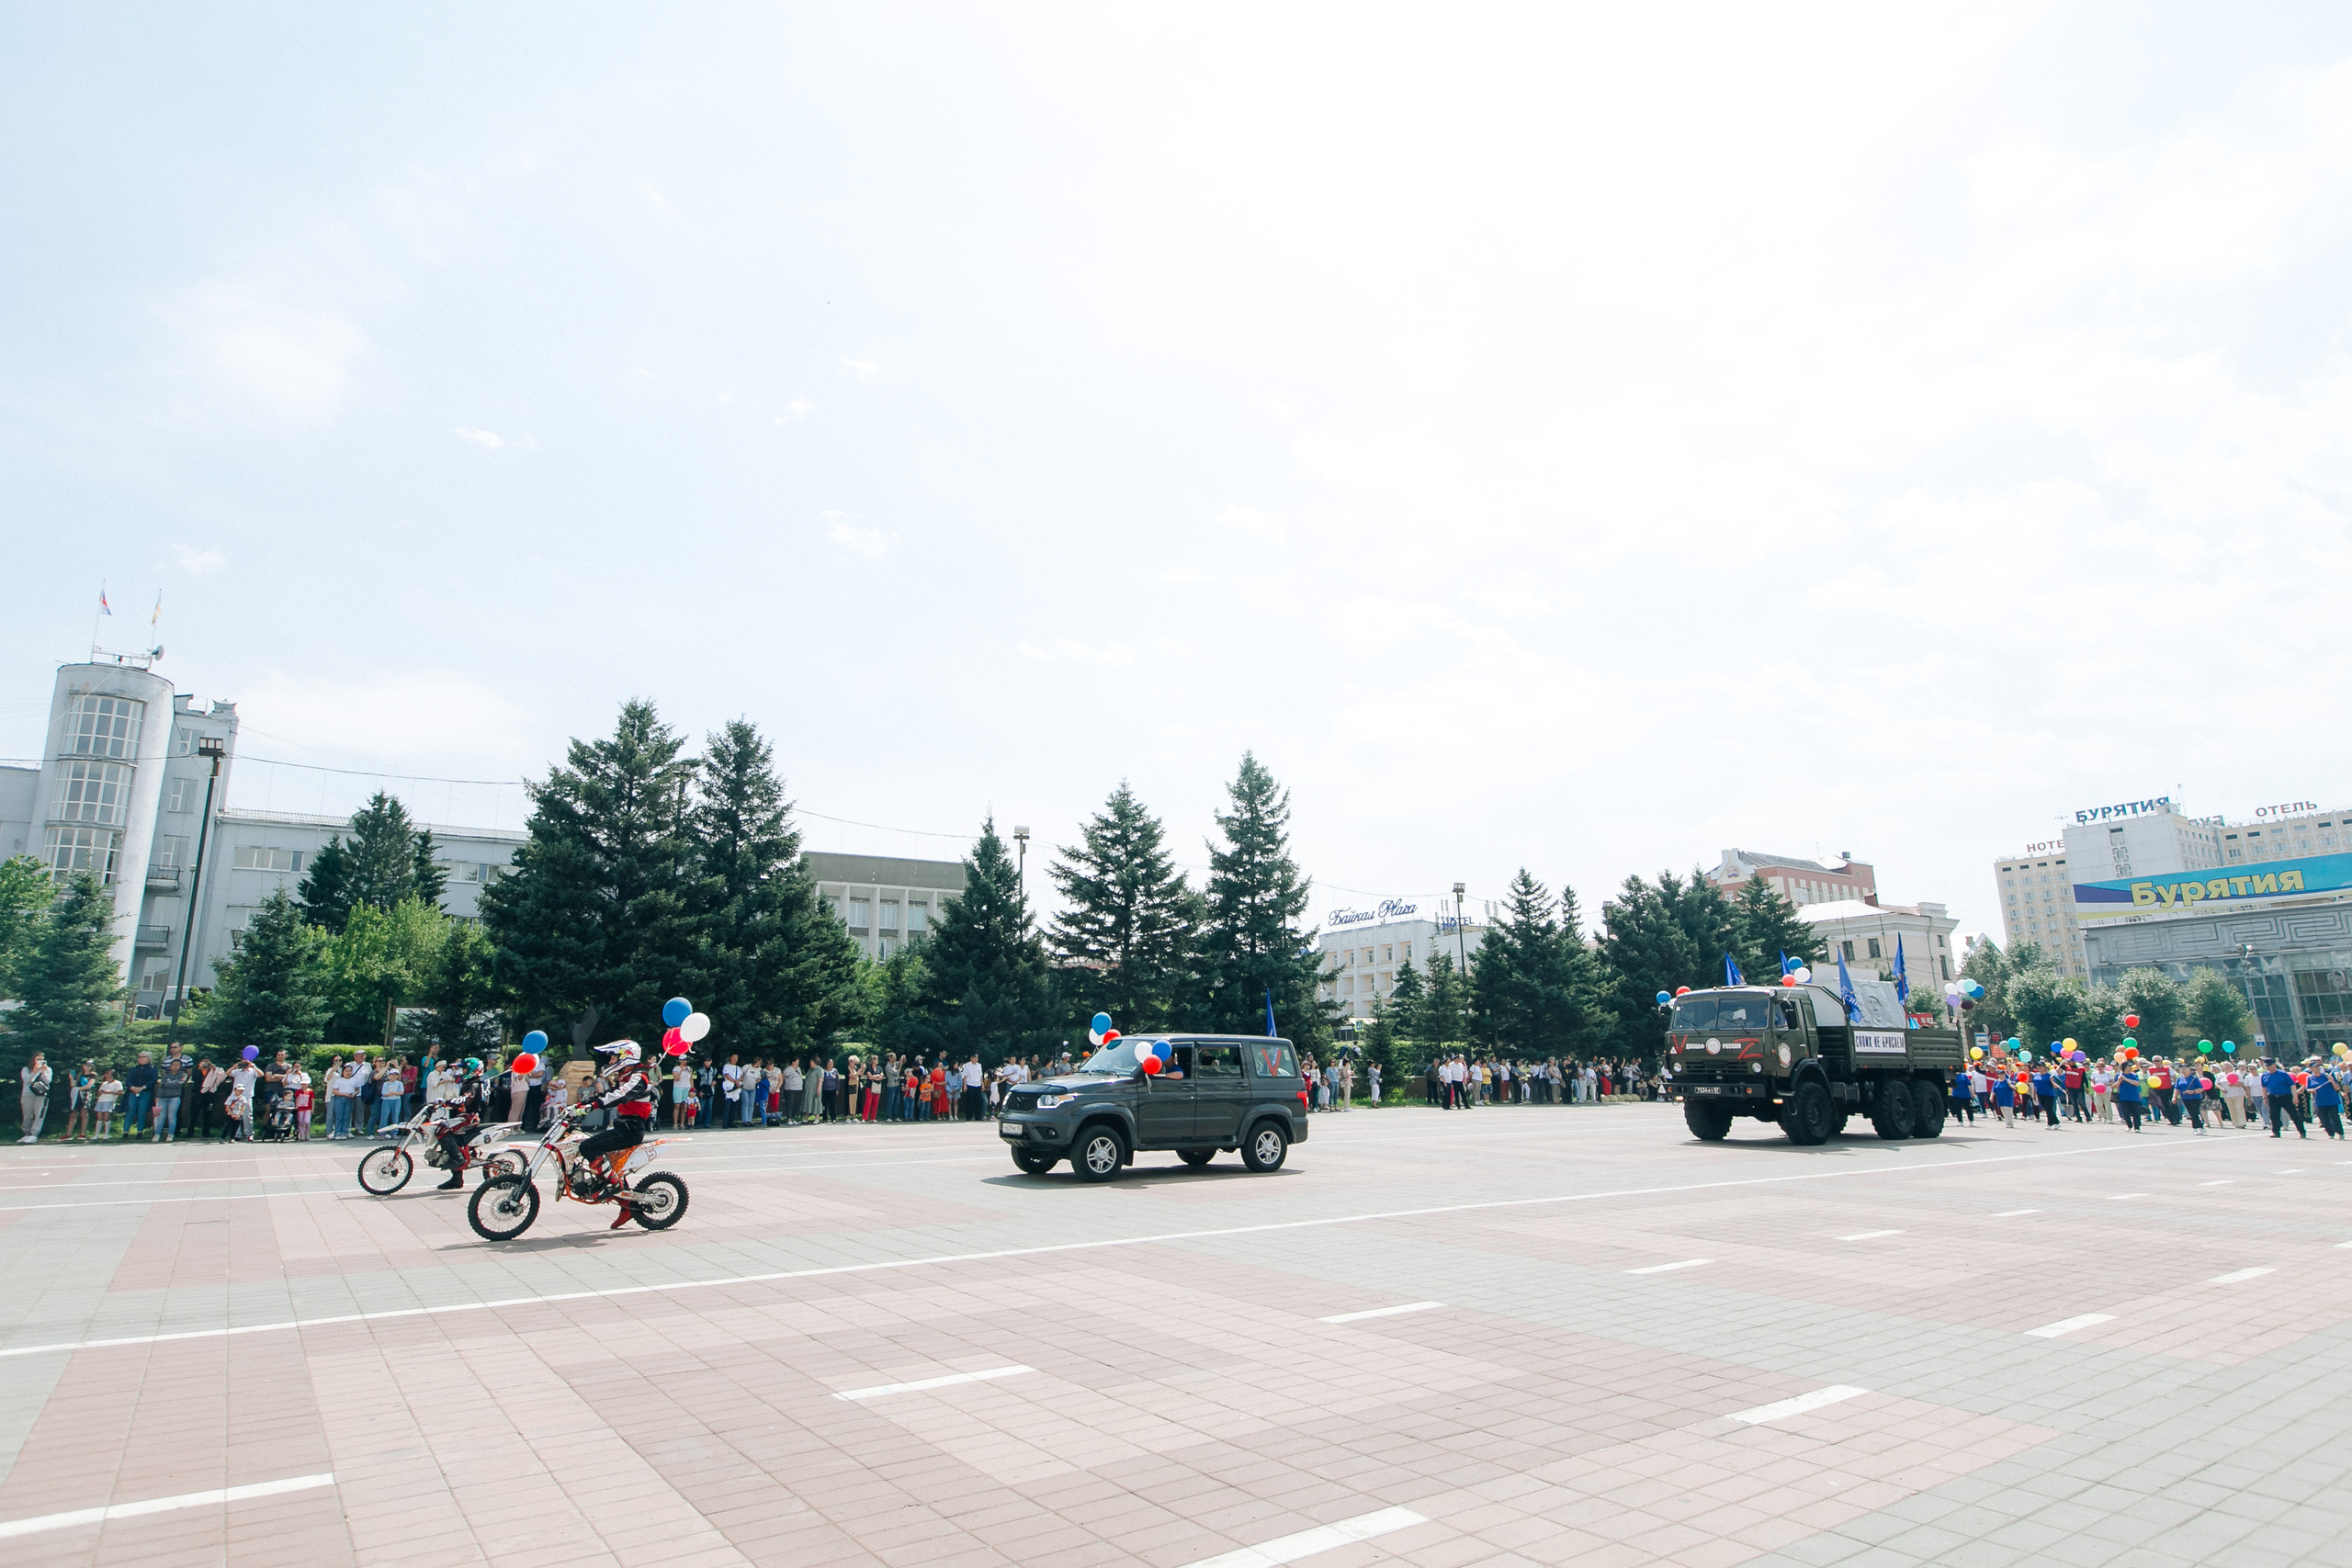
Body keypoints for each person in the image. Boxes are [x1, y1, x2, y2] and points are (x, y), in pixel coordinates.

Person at [575, 1040, 658, 1229]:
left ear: (626, 1056)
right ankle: (628, 1207)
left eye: (614, 1056)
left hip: (631, 1129)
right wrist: (580, 1105)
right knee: (609, 1164)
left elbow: (620, 1095)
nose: (611, 1060)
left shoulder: (638, 1077)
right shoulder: (626, 1075)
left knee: (587, 1147)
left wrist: (592, 1106)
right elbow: (610, 1093)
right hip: (623, 1126)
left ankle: (613, 1185)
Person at [434, 1058, 492, 1190]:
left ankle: (457, 1159)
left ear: (472, 1070)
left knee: (441, 1130)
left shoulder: (475, 1084)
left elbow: (465, 1099)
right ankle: (456, 1179)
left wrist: (447, 1102)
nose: (462, 1071)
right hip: (463, 1115)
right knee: (453, 1143)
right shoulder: (470, 1082)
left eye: (465, 1069)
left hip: (469, 1117)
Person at [153, 1044, 192, 1142]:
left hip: (175, 1097)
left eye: (177, 1065)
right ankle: (157, 1134)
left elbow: (178, 1085)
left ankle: (171, 1134)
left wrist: (168, 1084)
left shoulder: (182, 1074)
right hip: (163, 1097)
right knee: (161, 1116)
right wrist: (159, 1096)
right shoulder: (166, 1075)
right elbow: (162, 1085)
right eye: (173, 1065)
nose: (175, 1067)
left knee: (172, 1116)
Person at [2261, 1059, 2306, 1138]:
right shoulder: (2264, 1075)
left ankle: (2302, 1131)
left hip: (2285, 1096)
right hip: (2272, 1097)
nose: (2268, 1068)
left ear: (2274, 1065)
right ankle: (2276, 1132)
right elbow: (2264, 1087)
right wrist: (2264, 1098)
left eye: (2270, 1066)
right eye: (2267, 1066)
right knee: (2273, 1115)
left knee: (2293, 1114)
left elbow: (2292, 1085)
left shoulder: (2283, 1074)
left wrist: (2295, 1097)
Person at [19, 1054, 55, 1144]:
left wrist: (44, 1071)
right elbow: (26, 1081)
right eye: (38, 1059)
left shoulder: (48, 1069)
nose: (40, 1061)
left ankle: (34, 1134)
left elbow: (48, 1081)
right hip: (27, 1094)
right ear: (33, 1060)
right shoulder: (26, 1069)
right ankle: (26, 1133)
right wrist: (34, 1072)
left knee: (39, 1114)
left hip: (40, 1094)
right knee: (27, 1114)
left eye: (42, 1060)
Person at [123, 1051, 157, 1141]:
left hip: (146, 1092)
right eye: (140, 1057)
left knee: (142, 1111)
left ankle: (139, 1132)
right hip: (133, 1092)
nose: (141, 1059)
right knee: (130, 1111)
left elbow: (153, 1080)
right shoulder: (133, 1069)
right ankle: (125, 1132)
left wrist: (143, 1087)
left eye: (144, 1057)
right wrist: (132, 1087)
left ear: (148, 1058)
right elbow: (128, 1080)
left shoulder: (152, 1069)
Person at [64, 1060, 96, 1143]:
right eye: (86, 1065)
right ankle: (69, 1134)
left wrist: (79, 1089)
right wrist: (71, 1079)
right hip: (76, 1095)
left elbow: (89, 1086)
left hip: (85, 1094)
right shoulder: (80, 1075)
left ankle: (83, 1133)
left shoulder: (92, 1076)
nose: (87, 1067)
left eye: (89, 1066)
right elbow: (73, 1085)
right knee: (73, 1113)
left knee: (84, 1113)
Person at [93, 1066, 123, 1140]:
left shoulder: (117, 1083)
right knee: (99, 1118)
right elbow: (100, 1092)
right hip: (101, 1101)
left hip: (109, 1101)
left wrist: (108, 1092)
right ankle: (97, 1134)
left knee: (106, 1117)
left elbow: (120, 1092)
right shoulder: (104, 1083)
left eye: (108, 1074)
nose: (106, 1075)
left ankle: (106, 1134)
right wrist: (100, 1093)